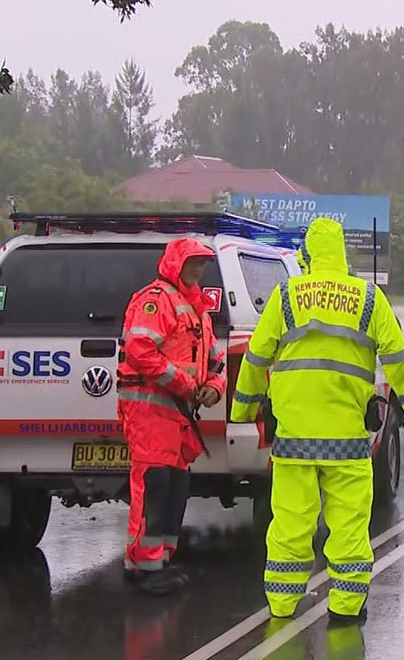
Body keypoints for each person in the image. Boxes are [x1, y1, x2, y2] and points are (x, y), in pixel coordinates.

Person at [232, 217, 404, 623]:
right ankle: (346, 607)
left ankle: (282, 605)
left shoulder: (286, 296)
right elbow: (396, 356)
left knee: (290, 523)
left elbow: (256, 356)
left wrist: (243, 409)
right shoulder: (369, 298)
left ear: (308, 253)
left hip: (294, 439)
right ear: (341, 253)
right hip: (347, 440)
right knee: (349, 526)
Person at [116, 238, 226, 595]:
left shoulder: (197, 309)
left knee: (174, 487)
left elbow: (215, 361)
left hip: (178, 414)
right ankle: (144, 567)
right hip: (150, 410)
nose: (198, 269)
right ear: (176, 264)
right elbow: (139, 351)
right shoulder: (156, 300)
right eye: (193, 262)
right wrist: (184, 384)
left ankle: (159, 559)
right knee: (154, 486)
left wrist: (214, 387)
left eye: (203, 264)